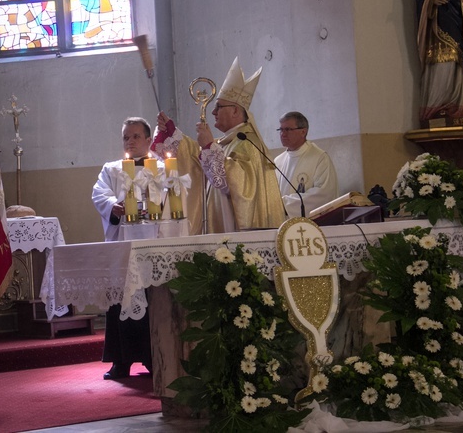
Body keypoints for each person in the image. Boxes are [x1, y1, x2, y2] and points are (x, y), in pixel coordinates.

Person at [152, 57, 285, 233]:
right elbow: (198, 163)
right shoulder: (228, 142)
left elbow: (238, 183)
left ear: (236, 110)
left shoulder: (248, 143)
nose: (213, 112)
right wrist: (172, 134)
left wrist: (209, 146)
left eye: (219, 107)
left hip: (237, 231)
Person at [92, 117, 160, 379]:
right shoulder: (112, 169)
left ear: (148, 139)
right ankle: (121, 361)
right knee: (120, 302)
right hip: (123, 243)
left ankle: (154, 357)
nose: (130, 142)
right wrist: (113, 206)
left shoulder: (163, 168)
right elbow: (99, 193)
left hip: (153, 244)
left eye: (135, 136)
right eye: (125, 137)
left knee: (153, 302)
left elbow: (173, 195)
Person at [274, 111, 339, 219]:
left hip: (310, 226)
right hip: (281, 223)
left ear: (303, 132)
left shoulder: (319, 157)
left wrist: (285, 205)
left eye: (288, 129)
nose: (283, 134)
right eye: (281, 129)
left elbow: (324, 194)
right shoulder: (278, 161)